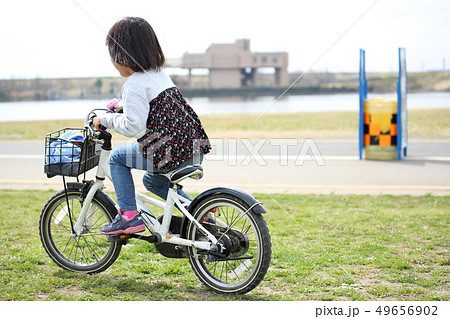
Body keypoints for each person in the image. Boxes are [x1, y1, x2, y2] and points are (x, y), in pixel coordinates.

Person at [94, 17, 211, 235]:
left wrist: (106, 119)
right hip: (193, 146)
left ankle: (129, 216)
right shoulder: (159, 74)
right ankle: (199, 213)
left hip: (169, 152)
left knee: (118, 159)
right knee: (152, 181)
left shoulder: (134, 84)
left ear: (122, 55)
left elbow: (134, 128)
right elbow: (157, 109)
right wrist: (122, 106)